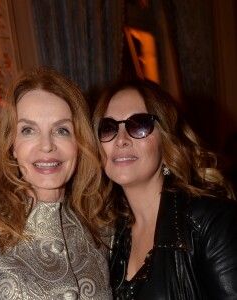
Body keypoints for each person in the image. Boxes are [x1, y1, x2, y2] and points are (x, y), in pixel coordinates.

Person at [0, 67, 113, 299]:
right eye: (28, 130)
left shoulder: (104, 231)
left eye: (62, 130)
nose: (46, 146)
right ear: (12, 146)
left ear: (79, 143)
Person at [92, 78, 237, 299]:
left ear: (166, 138)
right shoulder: (108, 235)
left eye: (139, 124)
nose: (121, 140)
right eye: (108, 127)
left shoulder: (211, 223)